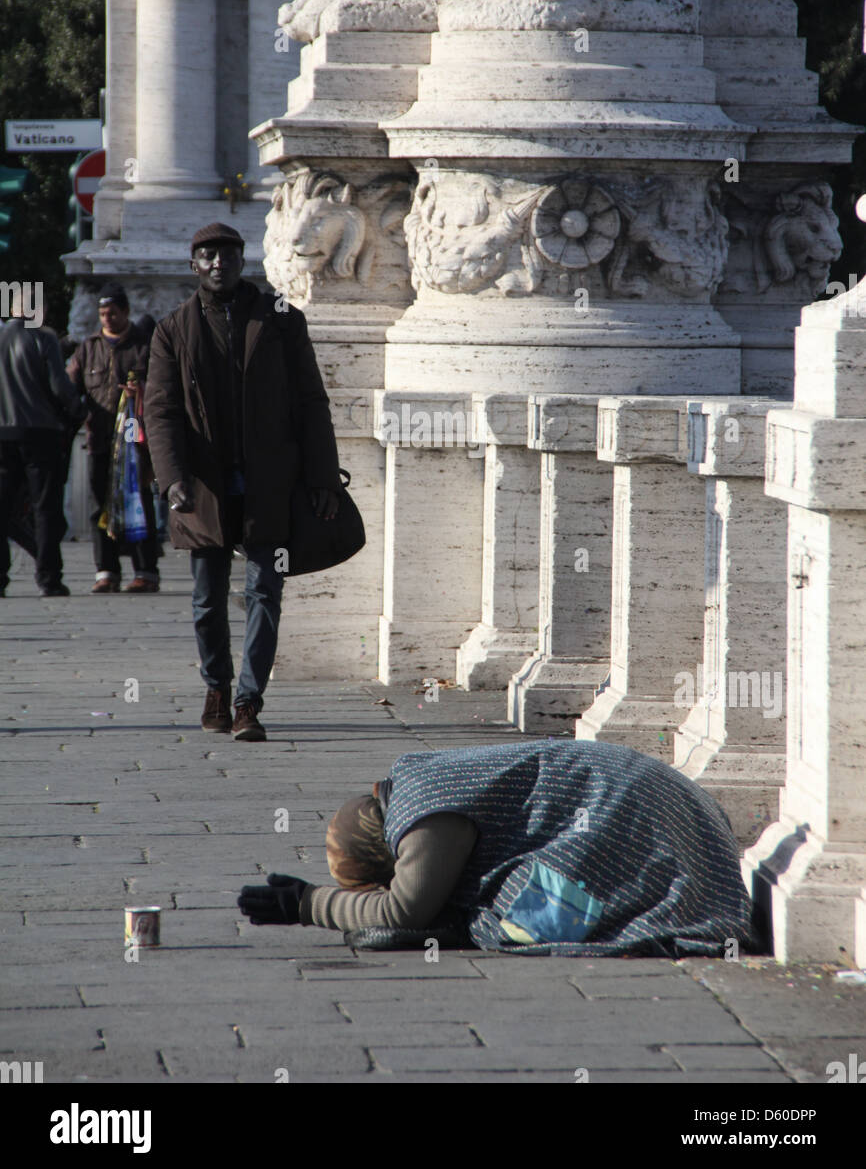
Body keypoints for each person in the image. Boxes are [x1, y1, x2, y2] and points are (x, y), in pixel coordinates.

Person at [237, 739, 758, 956]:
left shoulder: (424, 817)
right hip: (664, 801)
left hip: (629, 812)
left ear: (394, 853)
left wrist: (307, 904)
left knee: (511, 919)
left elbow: (404, 909)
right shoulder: (417, 781)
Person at [143, 222, 343, 743]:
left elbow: (311, 403)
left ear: (241, 261)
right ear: (194, 265)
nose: (217, 263)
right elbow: (160, 411)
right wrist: (171, 480)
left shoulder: (280, 320)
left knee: (264, 591)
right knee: (207, 601)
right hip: (202, 486)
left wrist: (322, 477)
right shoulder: (172, 330)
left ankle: (247, 702)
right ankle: (216, 684)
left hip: (269, 481)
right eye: (207, 255)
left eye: (227, 255)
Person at [67, 284, 160, 593]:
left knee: (139, 501)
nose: (107, 319)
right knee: (99, 506)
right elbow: (70, 388)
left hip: (135, 442)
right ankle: (106, 570)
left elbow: (163, 386)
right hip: (99, 439)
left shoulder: (144, 345)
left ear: (126, 312)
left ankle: (145, 570)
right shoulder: (88, 347)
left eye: (113, 313)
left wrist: (141, 392)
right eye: (103, 314)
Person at [0, 308, 85, 596]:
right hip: (39, 431)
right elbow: (59, 385)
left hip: (2, 433)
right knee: (45, 507)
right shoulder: (43, 337)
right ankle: (49, 577)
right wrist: (77, 410)